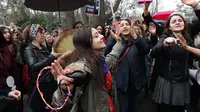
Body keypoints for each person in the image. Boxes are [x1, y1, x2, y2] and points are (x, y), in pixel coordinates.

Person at [51, 27, 124, 112]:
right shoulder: (79, 67)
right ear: (86, 43)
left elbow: (112, 57)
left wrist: (119, 41)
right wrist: (63, 90)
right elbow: (58, 104)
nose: (101, 36)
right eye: (96, 36)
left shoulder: (100, 61)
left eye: (99, 34)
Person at [151, 0, 200, 112]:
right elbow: (153, 53)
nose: (177, 22)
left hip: (183, 81)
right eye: (174, 21)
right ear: (169, 26)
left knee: (180, 109)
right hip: (168, 82)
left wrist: (195, 5)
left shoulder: (187, 39)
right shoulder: (165, 37)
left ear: (184, 23)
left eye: (180, 20)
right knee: (166, 109)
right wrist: (164, 44)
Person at [24, 24, 60, 112]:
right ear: (34, 34)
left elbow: (50, 62)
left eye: (44, 32)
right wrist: (51, 56)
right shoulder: (29, 49)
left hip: (49, 84)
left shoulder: (43, 48)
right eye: (41, 33)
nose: (43, 34)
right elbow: (33, 67)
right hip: (38, 87)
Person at [0, 26, 22, 112]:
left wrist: (16, 88)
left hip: (10, 88)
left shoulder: (7, 51)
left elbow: (14, 70)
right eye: (4, 33)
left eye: (9, 32)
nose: (8, 34)